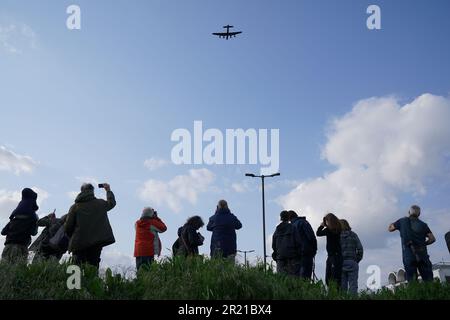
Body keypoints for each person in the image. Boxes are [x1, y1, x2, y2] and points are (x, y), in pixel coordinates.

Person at [65, 183, 116, 269]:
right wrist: (108, 191)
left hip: (79, 243)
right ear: (92, 191)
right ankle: (90, 282)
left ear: (81, 191)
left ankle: (76, 282)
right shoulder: (101, 204)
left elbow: (68, 227)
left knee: (76, 270)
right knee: (92, 269)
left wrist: (72, 237)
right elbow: (111, 203)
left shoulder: (75, 207)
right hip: (96, 243)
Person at [388, 205, 436, 282]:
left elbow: (390, 228)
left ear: (409, 212)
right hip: (422, 255)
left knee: (412, 282)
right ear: (419, 214)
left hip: (409, 256)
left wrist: (392, 223)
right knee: (429, 281)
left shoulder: (402, 221)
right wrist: (423, 244)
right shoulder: (423, 225)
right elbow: (432, 239)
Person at [1, 188, 39, 263]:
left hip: (8, 247)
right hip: (21, 248)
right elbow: (34, 232)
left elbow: (3, 232)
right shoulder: (32, 219)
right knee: (17, 272)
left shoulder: (13, 220)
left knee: (4, 271)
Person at [289, 210, 317, 280]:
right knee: (305, 278)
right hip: (306, 253)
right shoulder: (303, 223)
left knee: (296, 278)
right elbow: (311, 237)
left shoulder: (290, 226)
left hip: (295, 256)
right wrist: (314, 250)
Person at [316, 213, 343, 288]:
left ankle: (332, 293)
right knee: (336, 277)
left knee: (329, 278)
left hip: (333, 256)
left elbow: (318, 233)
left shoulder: (329, 230)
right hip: (337, 256)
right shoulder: (338, 229)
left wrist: (322, 226)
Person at [272, 211, 301, 275]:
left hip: (280, 258)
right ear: (288, 218)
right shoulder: (293, 228)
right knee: (293, 279)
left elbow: (273, 245)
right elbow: (298, 242)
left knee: (281, 279)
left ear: (281, 218)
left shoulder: (276, 230)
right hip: (292, 258)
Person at [339, 219, 363, 294]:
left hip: (341, 263)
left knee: (342, 287)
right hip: (352, 262)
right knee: (353, 286)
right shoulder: (353, 235)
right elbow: (360, 249)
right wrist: (356, 260)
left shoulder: (337, 236)